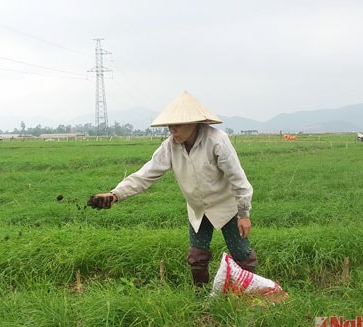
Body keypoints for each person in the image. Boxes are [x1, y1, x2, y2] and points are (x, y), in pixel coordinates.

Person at [87, 91, 258, 288]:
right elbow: (146, 174)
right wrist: (114, 195)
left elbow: (238, 178)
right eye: (170, 126)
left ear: (193, 123)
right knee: (197, 257)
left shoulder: (217, 140)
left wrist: (243, 214)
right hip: (198, 209)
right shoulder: (170, 146)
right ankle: (199, 295)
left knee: (242, 255)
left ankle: (249, 293)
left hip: (226, 206)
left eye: (177, 125)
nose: (172, 130)